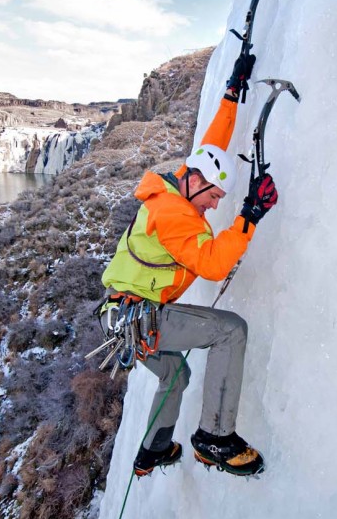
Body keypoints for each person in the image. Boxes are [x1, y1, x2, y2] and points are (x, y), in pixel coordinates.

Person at [99, 55, 278, 477]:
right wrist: (248, 217)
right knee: (231, 331)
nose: (217, 204)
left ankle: (153, 450)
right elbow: (214, 263)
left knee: (174, 373)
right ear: (196, 184)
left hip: (120, 317)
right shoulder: (173, 215)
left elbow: (212, 144)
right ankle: (214, 437)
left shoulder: (180, 185)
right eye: (215, 196)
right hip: (140, 317)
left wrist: (233, 93)